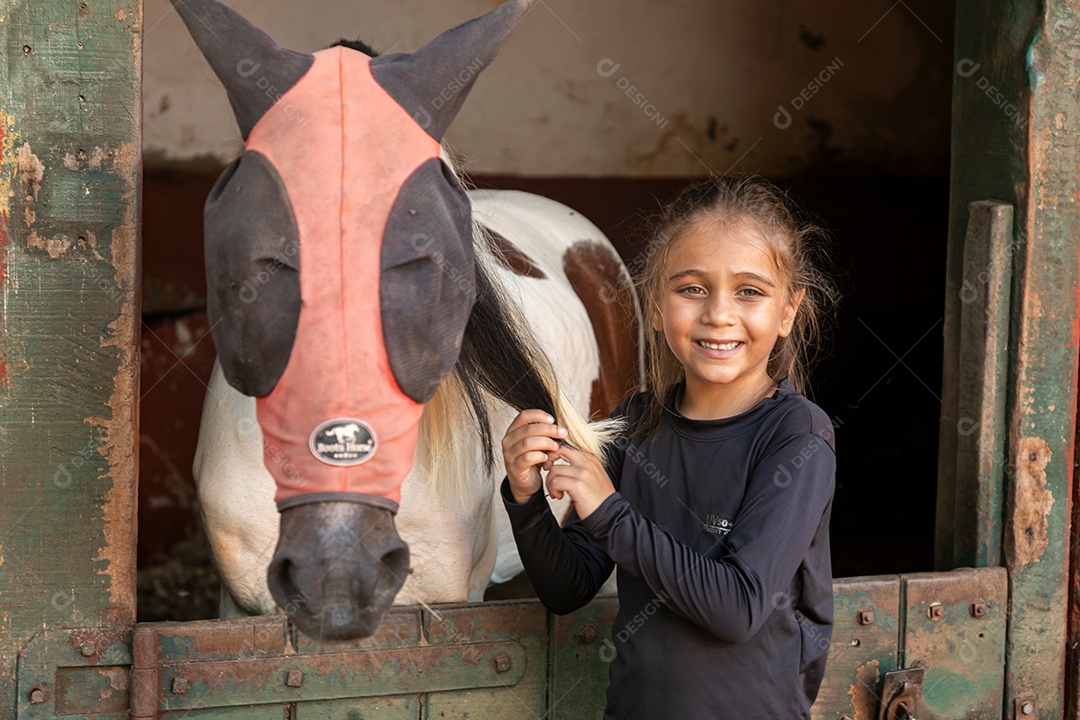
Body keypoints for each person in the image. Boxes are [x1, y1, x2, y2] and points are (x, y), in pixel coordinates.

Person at [500, 175, 839, 719]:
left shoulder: (797, 438)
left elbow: (738, 609)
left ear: (788, 312)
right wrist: (525, 497)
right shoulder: (633, 426)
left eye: (749, 291)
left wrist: (610, 511)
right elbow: (568, 588)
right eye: (691, 289)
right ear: (655, 307)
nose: (719, 314)